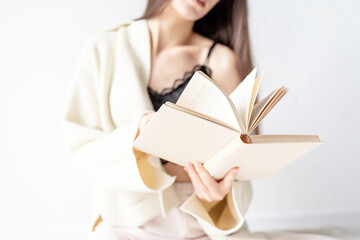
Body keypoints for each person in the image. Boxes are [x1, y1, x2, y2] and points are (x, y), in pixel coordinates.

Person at [62, 0, 337, 239]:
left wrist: (217, 200)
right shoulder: (105, 48)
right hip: (128, 224)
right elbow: (81, 146)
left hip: (203, 226)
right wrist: (138, 133)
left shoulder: (222, 61)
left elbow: (238, 169)